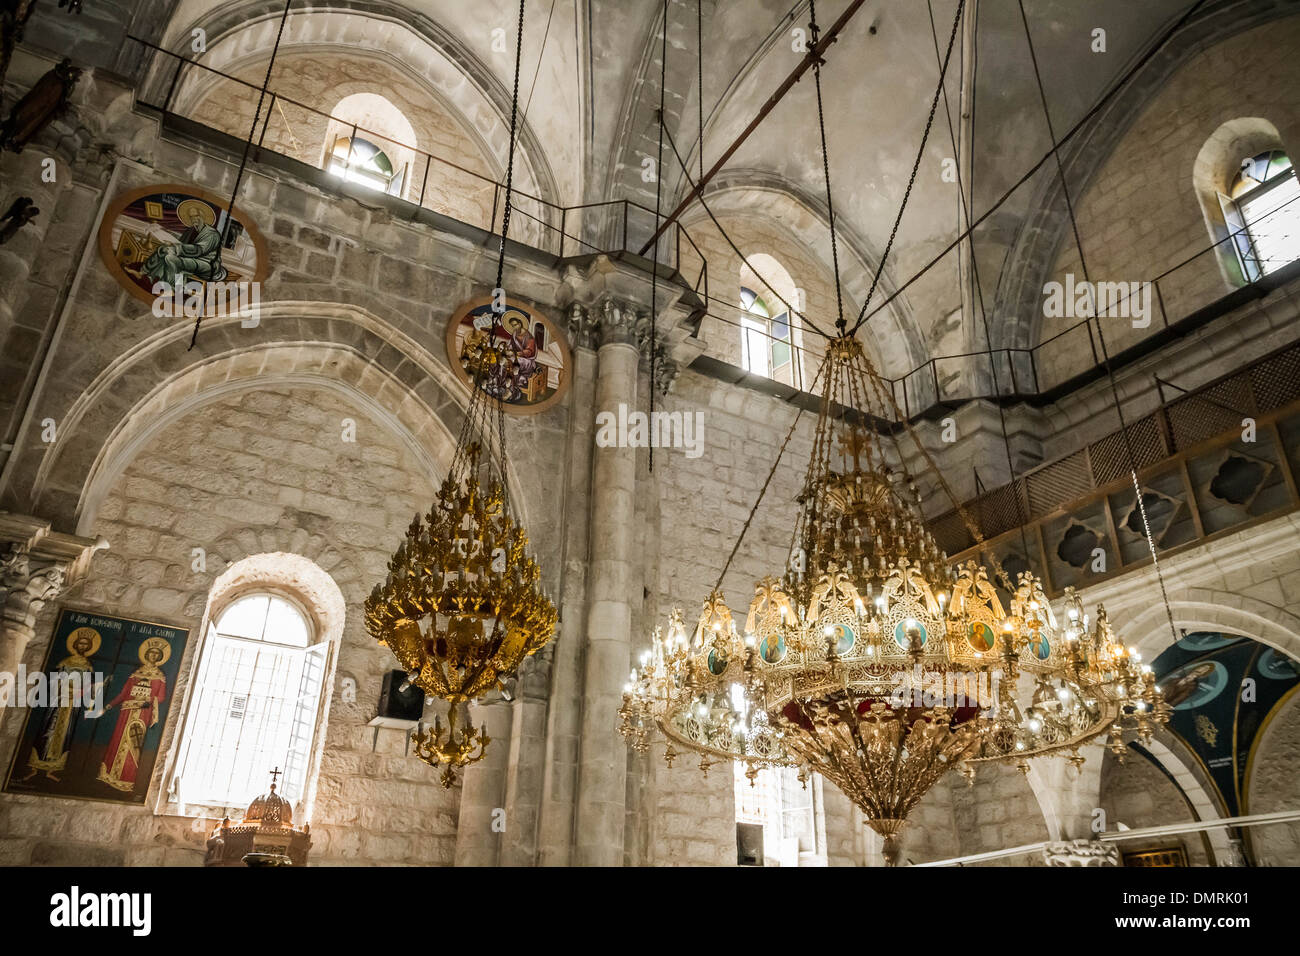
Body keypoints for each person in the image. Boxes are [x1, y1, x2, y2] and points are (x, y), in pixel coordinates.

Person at [97, 638, 169, 793]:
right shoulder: (136, 673)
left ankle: (125, 780)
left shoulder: (159, 676)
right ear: (147, 654)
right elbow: (124, 693)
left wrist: (147, 700)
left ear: (159, 657)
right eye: (152, 653)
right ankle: (109, 776)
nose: (154, 656)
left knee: (133, 744)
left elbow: (161, 697)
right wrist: (108, 706)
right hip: (127, 712)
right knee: (118, 741)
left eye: (157, 654)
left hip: (143, 713)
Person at [139, 200, 228, 285]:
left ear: (202, 216)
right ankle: (144, 273)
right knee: (163, 249)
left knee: (171, 259)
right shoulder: (191, 230)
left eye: (197, 216)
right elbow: (180, 241)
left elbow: (199, 250)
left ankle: (174, 289)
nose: (194, 219)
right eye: (191, 217)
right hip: (192, 259)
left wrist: (176, 247)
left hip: (207, 264)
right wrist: (163, 231)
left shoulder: (212, 234)